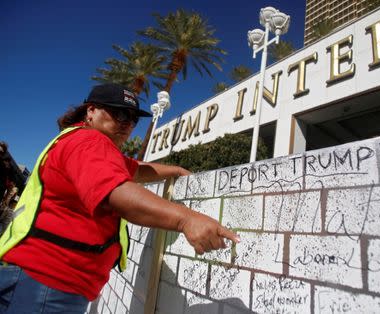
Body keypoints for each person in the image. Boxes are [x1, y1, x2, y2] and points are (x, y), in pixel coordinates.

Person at [0, 83, 240, 313]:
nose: (127, 124)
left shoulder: (80, 142)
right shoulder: (88, 141)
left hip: (43, 281)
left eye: (133, 118)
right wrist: (186, 219)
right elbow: (116, 191)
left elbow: (135, 169)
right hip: (47, 283)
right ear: (91, 110)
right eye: (119, 114)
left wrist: (175, 170)